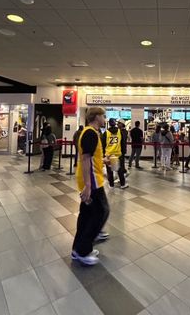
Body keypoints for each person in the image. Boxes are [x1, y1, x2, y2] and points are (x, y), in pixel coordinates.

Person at [72, 107, 110, 266]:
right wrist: (88, 186)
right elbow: (86, 159)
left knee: (86, 214)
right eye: (103, 116)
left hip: (92, 179)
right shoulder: (90, 133)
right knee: (101, 212)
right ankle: (83, 250)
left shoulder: (91, 133)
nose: (105, 119)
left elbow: (91, 157)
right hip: (92, 182)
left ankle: (77, 248)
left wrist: (103, 161)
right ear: (96, 117)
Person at [102, 118, 128, 189]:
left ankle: (111, 185)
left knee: (110, 171)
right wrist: (123, 152)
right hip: (118, 153)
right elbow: (122, 143)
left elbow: (103, 144)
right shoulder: (120, 132)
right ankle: (122, 184)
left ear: (109, 124)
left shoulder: (106, 133)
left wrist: (103, 154)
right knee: (120, 170)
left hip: (109, 154)